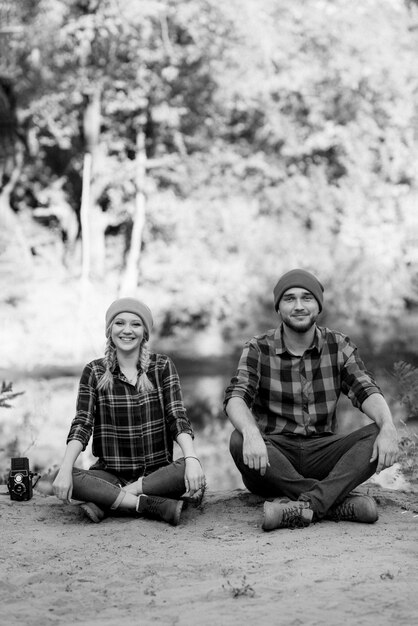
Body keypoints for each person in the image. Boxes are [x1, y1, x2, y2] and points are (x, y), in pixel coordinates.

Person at [224, 269, 399, 531]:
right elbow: (236, 396)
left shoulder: (338, 345)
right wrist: (250, 432)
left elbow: (366, 390)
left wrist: (388, 426)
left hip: (323, 455)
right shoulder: (258, 348)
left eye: (306, 298)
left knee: (379, 431)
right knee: (238, 438)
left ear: (318, 305)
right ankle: (334, 502)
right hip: (273, 461)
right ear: (278, 308)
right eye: (289, 299)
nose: (298, 306)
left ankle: (307, 506)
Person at [53, 297, 206, 526]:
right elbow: (82, 424)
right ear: (109, 330)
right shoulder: (94, 372)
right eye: (119, 323)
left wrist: (192, 458)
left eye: (135, 324)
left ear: (144, 332)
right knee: (64, 473)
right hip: (109, 473)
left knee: (188, 466)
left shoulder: (162, 367)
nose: (127, 330)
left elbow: (177, 417)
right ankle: (143, 504)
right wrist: (66, 468)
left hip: (156, 475)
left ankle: (110, 499)